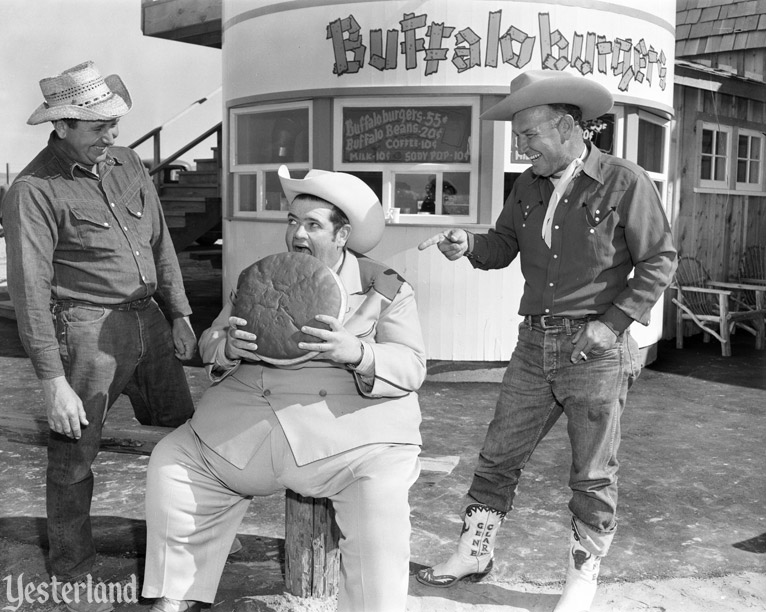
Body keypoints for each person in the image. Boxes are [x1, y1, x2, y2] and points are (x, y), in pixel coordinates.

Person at [416, 70, 677, 612]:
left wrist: (612, 323)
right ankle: (475, 552)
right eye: (518, 137)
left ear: (568, 127)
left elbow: (659, 261)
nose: (521, 145)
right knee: (498, 454)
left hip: (597, 347)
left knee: (591, 471)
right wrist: (468, 244)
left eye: (529, 135)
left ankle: (582, 579)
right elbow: (502, 247)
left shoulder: (625, 181)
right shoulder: (527, 186)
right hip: (534, 343)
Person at [142, 165, 426, 612]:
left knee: (380, 508)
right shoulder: (261, 278)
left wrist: (356, 352)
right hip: (248, 427)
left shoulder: (383, 288)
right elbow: (209, 341)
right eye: (292, 221)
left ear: (342, 234)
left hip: (349, 438)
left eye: (312, 224)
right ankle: (177, 594)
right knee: (174, 461)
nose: (297, 234)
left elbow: (412, 367)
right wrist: (227, 346)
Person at [2, 61, 196, 612]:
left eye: (114, 123)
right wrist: (53, 383)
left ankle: (182, 554)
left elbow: (160, 243)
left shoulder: (129, 161)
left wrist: (179, 313)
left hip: (150, 324)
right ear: (61, 125)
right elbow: (30, 291)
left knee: (188, 437)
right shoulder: (32, 191)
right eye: (97, 127)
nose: (111, 136)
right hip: (84, 332)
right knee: (74, 457)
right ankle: (71, 569)